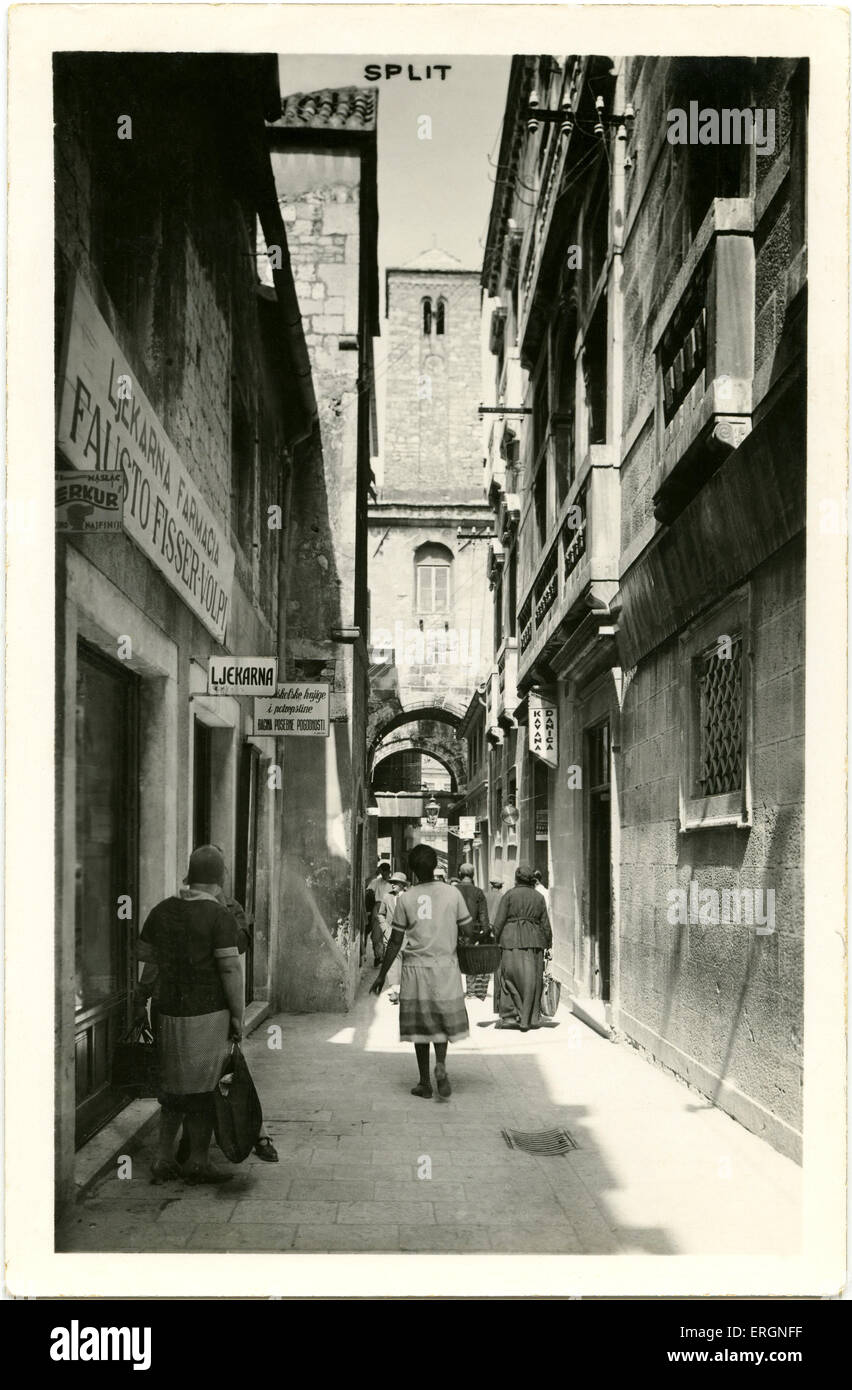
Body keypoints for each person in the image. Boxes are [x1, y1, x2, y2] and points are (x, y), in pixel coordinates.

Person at [134, 846, 244, 1184]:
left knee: (172, 1088)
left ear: (188, 875)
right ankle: (197, 1161)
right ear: (221, 877)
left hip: (166, 1010)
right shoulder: (219, 915)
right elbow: (229, 969)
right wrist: (238, 1016)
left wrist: (143, 999)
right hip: (207, 1014)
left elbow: (147, 959)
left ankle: (163, 1158)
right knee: (205, 1089)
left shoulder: (163, 910)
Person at [370, 843, 474, 1099]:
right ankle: (441, 1065)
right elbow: (468, 931)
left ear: (413, 871)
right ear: (436, 866)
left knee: (420, 1026)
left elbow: (395, 941)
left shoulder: (406, 898)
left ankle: (425, 1083)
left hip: (415, 969)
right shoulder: (453, 894)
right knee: (440, 1021)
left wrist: (382, 975)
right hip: (445, 968)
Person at [492, 863, 553, 1032]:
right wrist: (549, 943)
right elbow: (545, 924)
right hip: (534, 942)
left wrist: (493, 940)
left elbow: (499, 921)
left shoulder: (509, 896)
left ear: (516, 879)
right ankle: (530, 1017)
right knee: (532, 981)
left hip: (510, 941)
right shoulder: (538, 897)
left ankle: (511, 1016)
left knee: (509, 977)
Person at [457, 862, 492, 1001]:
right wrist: (485, 932)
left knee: (454, 959)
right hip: (472, 930)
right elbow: (483, 916)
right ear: (473, 875)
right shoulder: (478, 892)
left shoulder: (453, 890)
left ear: (460, 874)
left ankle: (455, 990)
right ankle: (471, 991)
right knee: (470, 959)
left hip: (455, 930)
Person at [376, 870, 408, 1003]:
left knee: (406, 963)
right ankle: (395, 991)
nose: (392, 885)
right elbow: (380, 914)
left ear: (402, 884)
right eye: (392, 883)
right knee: (392, 962)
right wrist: (385, 930)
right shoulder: (386, 897)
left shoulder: (410, 897)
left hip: (407, 935)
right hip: (390, 935)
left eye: (395, 883)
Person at [366, 862, 392, 967]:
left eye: (386, 872)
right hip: (377, 907)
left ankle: (384, 957)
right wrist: (375, 874)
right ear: (380, 872)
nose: (385, 874)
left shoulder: (393, 883)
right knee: (376, 935)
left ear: (389, 872)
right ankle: (378, 956)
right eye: (382, 872)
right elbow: (367, 890)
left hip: (390, 908)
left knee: (388, 935)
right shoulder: (375, 882)